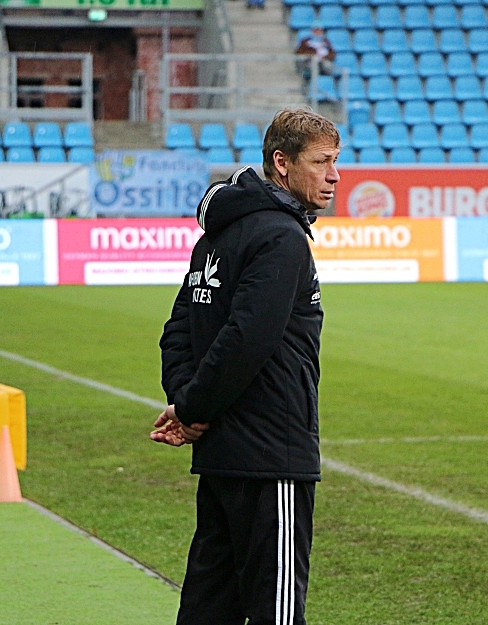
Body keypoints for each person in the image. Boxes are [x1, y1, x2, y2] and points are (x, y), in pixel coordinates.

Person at [154, 108, 340, 625]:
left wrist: (188, 405)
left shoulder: (216, 236)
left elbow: (178, 331)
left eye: (335, 162)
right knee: (275, 612)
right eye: (321, 162)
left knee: (208, 607)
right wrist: (191, 407)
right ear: (282, 163)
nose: (334, 175)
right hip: (271, 455)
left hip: (222, 453)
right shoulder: (281, 237)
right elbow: (247, 340)